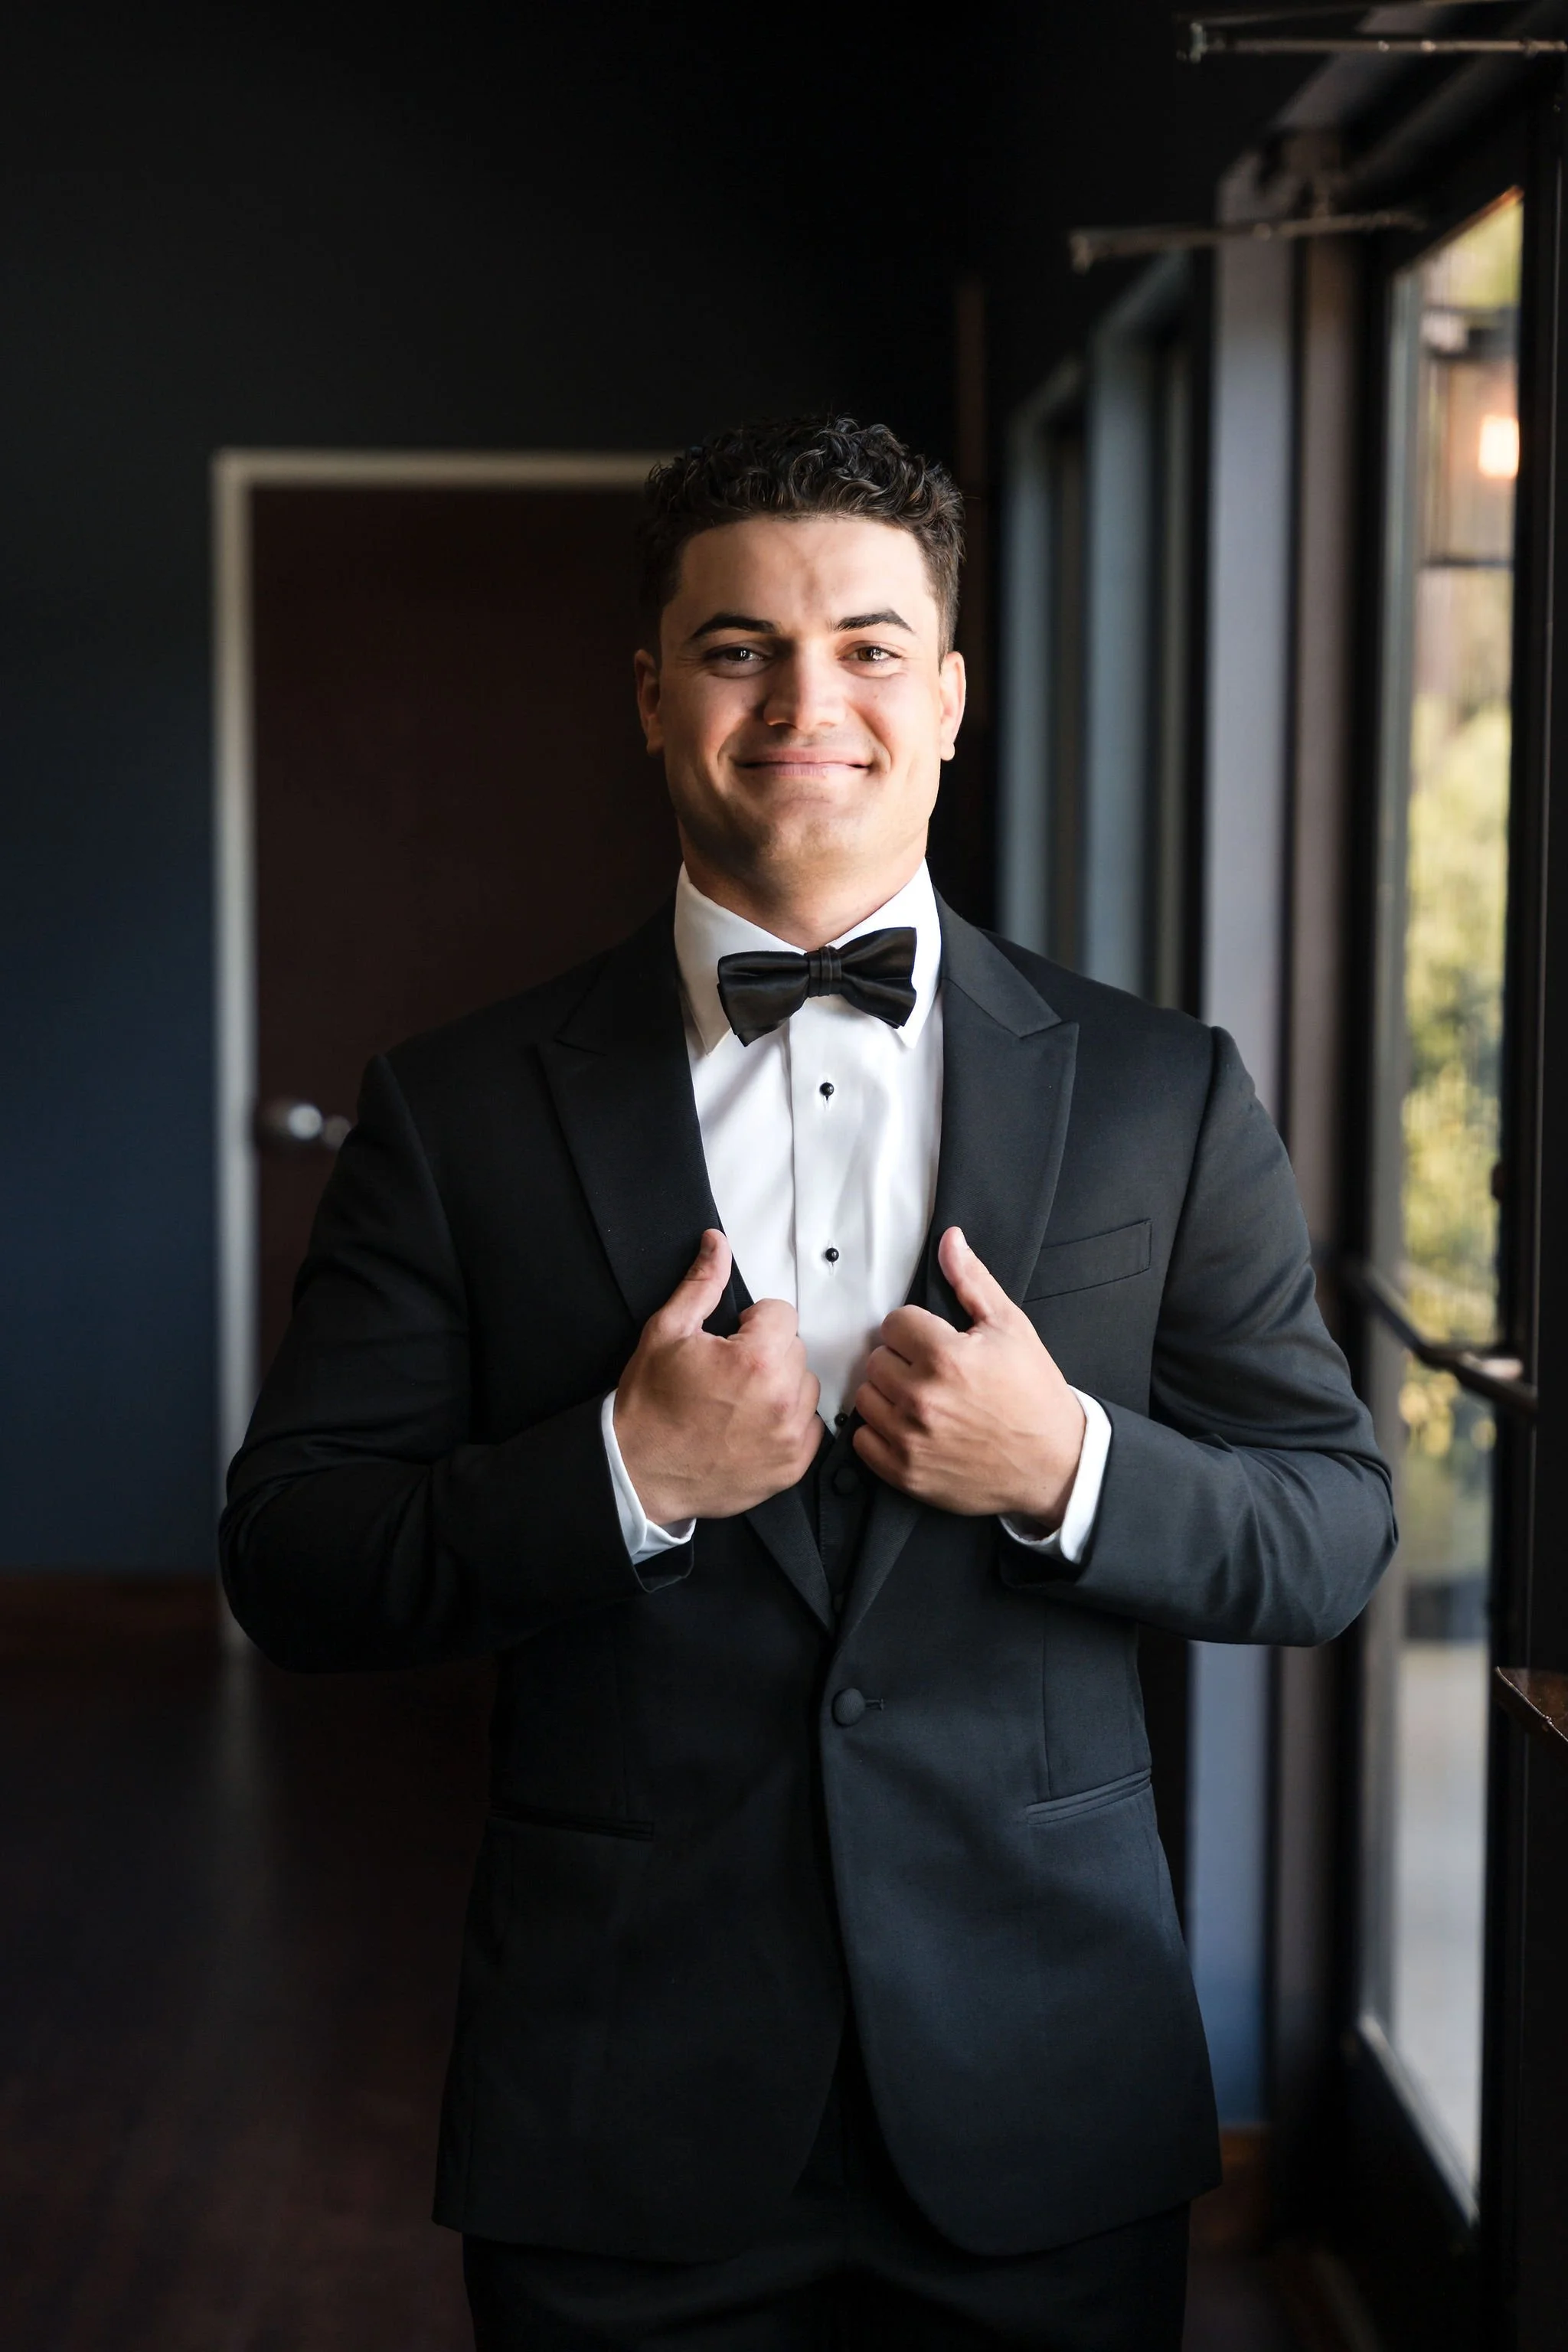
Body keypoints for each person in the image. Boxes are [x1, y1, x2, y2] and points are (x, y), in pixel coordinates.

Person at [220, 415, 1395, 2350]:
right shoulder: (458, 1108)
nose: (804, 702)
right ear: (652, 692)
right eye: (740, 647)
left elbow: (1334, 1530)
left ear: (947, 696)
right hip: (619, 2111)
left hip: (1043, 2095)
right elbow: (294, 1554)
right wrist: (622, 1471)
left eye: (863, 646)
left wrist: (1064, 1467)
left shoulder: (1164, 1091)